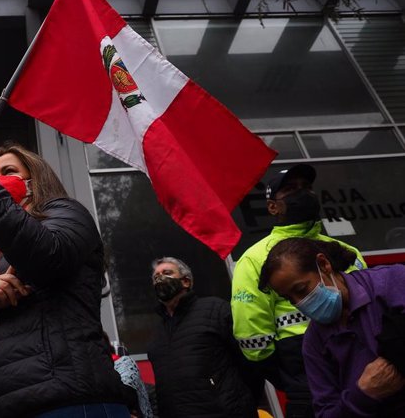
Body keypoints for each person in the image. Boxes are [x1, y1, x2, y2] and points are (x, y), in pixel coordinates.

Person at [0, 139, 129, 418]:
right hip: (8, 405)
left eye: (7, 171)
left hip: (68, 400)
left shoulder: (67, 214)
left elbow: (47, 257)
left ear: (35, 179)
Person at [230, 163, 366, 417]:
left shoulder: (347, 251)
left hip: (360, 361)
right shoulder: (255, 258)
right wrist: (290, 376)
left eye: (306, 188)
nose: (302, 193)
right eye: (291, 190)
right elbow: (251, 335)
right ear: (272, 207)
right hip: (304, 373)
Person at [258, 237, 405, 417]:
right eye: (289, 299)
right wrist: (363, 394)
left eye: (302, 289)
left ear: (324, 264)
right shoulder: (314, 343)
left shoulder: (392, 282)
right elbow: (326, 412)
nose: (299, 303)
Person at [147, 257, 256, 418]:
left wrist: (239, 404)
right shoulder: (158, 333)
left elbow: (249, 362)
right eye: (156, 277)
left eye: (167, 273)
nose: (160, 279)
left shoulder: (215, 310)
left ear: (186, 281)